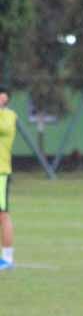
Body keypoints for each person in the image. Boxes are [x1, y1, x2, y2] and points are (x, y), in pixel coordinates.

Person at [0, 87, 17, 271]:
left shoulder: (9, 116)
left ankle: (7, 259)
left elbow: (3, 129)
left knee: (2, 214)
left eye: (3, 100)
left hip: (1, 173)